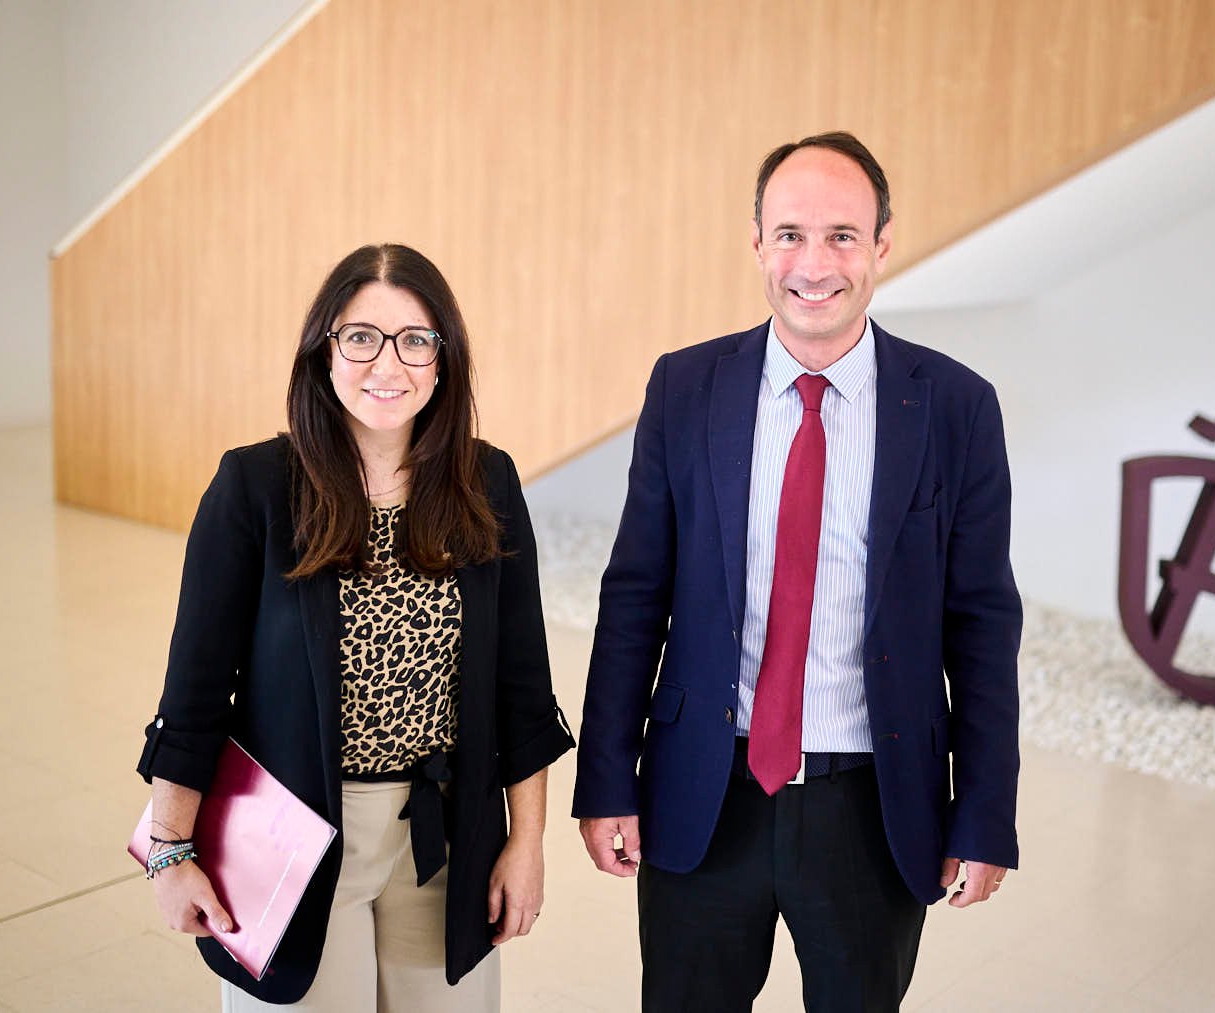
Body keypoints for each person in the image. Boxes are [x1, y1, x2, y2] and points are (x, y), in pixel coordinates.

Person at [572, 132, 1022, 1011]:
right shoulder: (685, 387)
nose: (814, 263)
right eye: (790, 235)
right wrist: (605, 778)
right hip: (705, 792)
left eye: (842, 236)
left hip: (873, 805)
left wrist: (985, 813)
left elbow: (982, 625)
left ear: (883, 245)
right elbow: (634, 596)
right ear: (756, 243)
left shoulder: (955, 406)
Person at [137, 243, 575, 1010]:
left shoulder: (487, 483)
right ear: (323, 350)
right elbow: (196, 689)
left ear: (443, 360)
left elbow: (523, 690)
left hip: (442, 834)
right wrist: (169, 850)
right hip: (293, 828)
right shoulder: (255, 487)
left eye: (415, 339)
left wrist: (526, 843)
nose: (388, 364)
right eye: (361, 336)